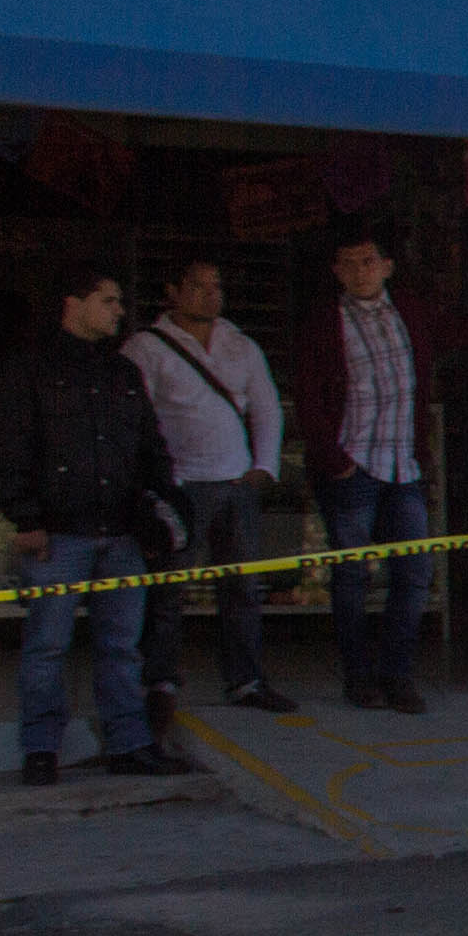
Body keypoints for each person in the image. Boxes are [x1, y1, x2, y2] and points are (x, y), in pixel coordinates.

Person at [290, 225, 468, 714]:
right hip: (351, 467)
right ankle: (359, 678)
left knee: (415, 573)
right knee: (352, 578)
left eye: (368, 261)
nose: (360, 272)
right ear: (337, 271)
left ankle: (397, 675)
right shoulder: (323, 322)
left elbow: (465, 329)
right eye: (350, 263)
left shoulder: (410, 313)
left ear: (386, 267)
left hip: (403, 466)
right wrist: (331, 459)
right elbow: (308, 395)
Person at [0, 259, 190, 784]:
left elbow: (150, 448)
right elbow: (8, 448)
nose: (120, 311)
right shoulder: (28, 367)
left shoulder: (122, 372)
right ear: (74, 303)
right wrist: (26, 518)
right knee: (47, 646)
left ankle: (129, 743)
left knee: (121, 646)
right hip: (57, 534)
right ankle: (40, 750)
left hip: (122, 532)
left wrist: (165, 507)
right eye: (109, 300)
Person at [121, 254, 294, 723]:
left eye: (216, 286)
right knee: (168, 591)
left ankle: (246, 680)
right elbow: (134, 418)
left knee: (241, 588)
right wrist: (155, 481)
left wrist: (264, 464)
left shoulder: (240, 344)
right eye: (198, 286)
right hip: (181, 486)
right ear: (172, 291)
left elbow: (267, 406)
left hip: (236, 483)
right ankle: (160, 681)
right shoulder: (147, 347)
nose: (210, 294)